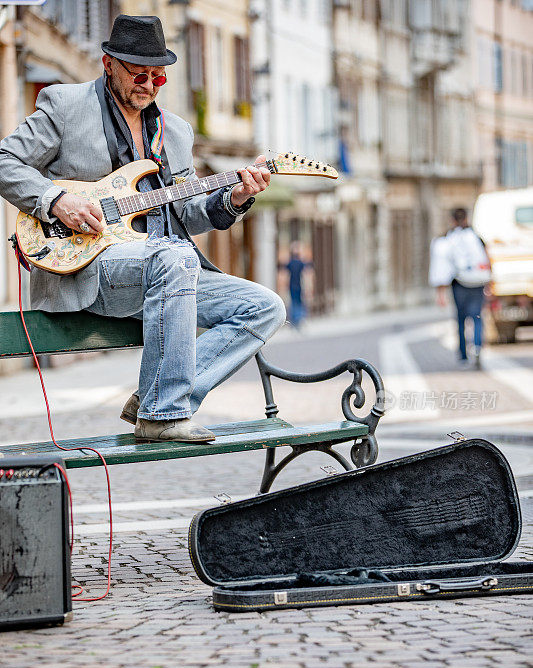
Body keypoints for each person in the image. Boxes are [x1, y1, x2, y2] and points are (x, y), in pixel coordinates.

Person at [0, 14, 285, 443]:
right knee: (174, 256)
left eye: (158, 77)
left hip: (167, 271)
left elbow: (187, 213)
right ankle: (163, 415)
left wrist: (236, 198)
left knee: (265, 306)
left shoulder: (177, 133)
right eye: (139, 74)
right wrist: (56, 201)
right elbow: (6, 162)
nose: (149, 85)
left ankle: (158, 398)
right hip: (83, 268)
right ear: (108, 63)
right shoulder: (64, 105)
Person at [429, 208, 491, 369]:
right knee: (477, 316)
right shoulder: (476, 237)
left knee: (461, 320)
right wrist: (490, 283)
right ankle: (477, 347)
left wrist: (440, 293)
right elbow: (487, 259)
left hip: (459, 283)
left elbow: (441, 266)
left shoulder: (447, 239)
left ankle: (463, 356)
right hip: (478, 282)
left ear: (452, 219)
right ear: (466, 218)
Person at [280, 241, 314, 329]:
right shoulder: (299, 263)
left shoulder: (291, 263)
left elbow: (283, 269)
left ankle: (295, 321)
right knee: (298, 302)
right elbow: (308, 269)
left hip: (293, 285)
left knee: (294, 302)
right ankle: (298, 319)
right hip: (298, 285)